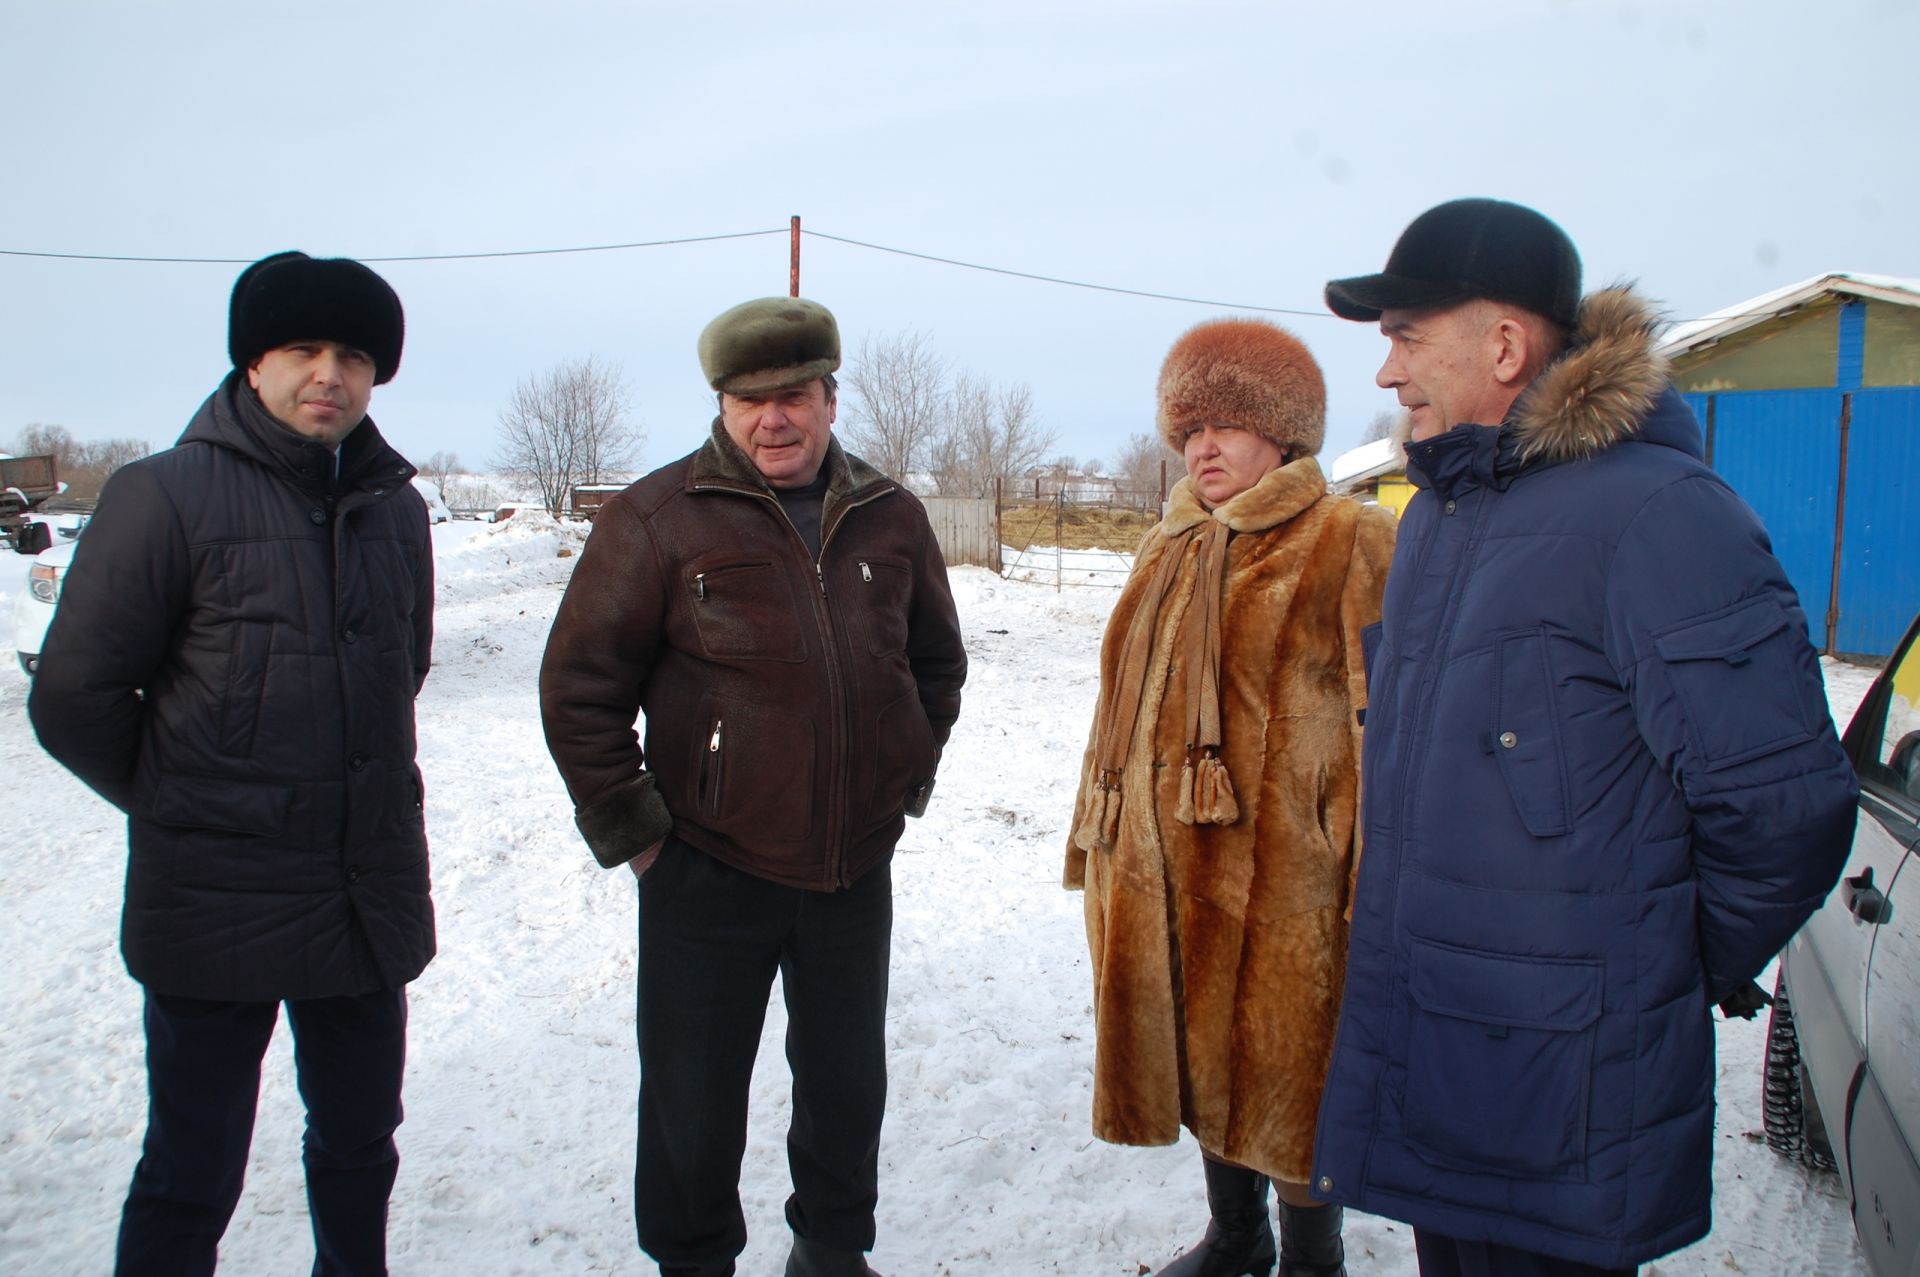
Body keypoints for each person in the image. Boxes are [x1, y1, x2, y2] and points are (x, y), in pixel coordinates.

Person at [1310, 198, 1860, 1276]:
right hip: (1444, 1050)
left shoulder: (1660, 516)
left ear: (1506, 344)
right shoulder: (1439, 523)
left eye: (1408, 335)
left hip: (1566, 1082)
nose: (1386, 372)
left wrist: (1654, 962)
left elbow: (1785, 806)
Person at [538, 296, 967, 1277]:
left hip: (852, 867)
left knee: (846, 1080)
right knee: (693, 1092)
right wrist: (642, 833)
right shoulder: (657, 518)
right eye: (749, 399)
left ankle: (830, 1244)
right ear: (722, 405)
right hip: (707, 866)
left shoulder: (890, 516)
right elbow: (579, 688)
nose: (773, 417)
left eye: (793, 395)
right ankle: (693, 1258)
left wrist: (901, 774)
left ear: (829, 395)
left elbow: (935, 665)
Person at [29, 251, 434, 1275]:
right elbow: (75, 696)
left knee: (358, 1145)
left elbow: (401, 666)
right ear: (252, 362)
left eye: (352, 354)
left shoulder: (394, 508)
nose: (328, 374)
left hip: (360, 895)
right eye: (301, 349)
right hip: (215, 900)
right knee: (191, 1165)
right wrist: (183, 799)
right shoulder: (161, 495)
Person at [1066, 319, 1395, 1277]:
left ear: (1285, 432)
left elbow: (1393, 725)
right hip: (1161, 869)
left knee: (1291, 1081)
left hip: (1290, 884)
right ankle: (1235, 1234)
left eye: (1226, 426)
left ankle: (1310, 1258)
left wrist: (1371, 868)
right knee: (1202, 1066)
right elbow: (1114, 704)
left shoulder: (1351, 540)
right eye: (1189, 429)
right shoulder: (1168, 544)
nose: (1203, 448)